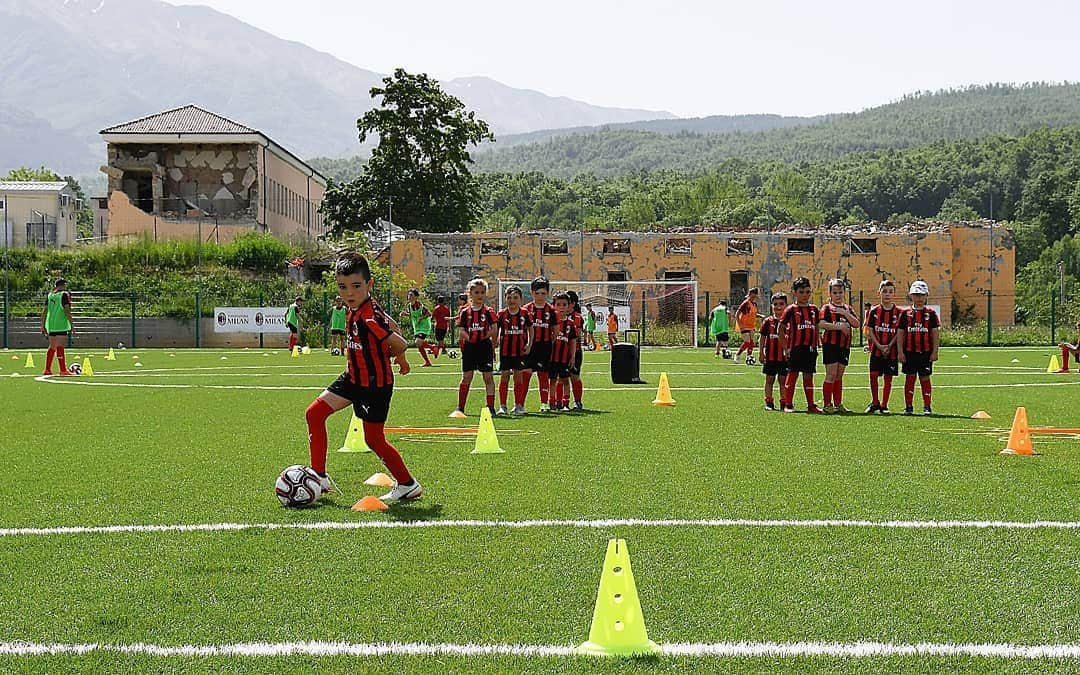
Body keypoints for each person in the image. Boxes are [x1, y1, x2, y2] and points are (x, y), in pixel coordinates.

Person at [303, 252, 420, 502]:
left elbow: (399, 342)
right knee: (314, 413)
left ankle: (408, 484)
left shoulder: (367, 316)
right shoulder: (359, 308)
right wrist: (399, 359)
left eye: (356, 286)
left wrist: (398, 355)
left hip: (373, 386)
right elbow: (393, 325)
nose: (349, 293)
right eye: (343, 287)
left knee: (374, 440)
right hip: (352, 378)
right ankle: (320, 477)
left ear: (369, 285)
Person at [450, 278, 498, 418]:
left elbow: (494, 329)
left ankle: (490, 407)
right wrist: (468, 337)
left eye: (482, 292)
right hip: (470, 347)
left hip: (484, 347)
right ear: (470, 293)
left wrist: (486, 336)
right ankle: (460, 407)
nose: (480, 295)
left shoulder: (489, 311)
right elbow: (461, 330)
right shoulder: (465, 312)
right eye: (476, 292)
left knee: (488, 377)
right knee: (466, 377)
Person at [778, 278, 822, 414]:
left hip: (810, 349)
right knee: (792, 375)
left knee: (808, 377)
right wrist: (786, 348)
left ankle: (811, 405)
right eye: (801, 292)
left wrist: (817, 344)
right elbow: (781, 328)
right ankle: (788, 404)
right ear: (795, 293)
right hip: (795, 348)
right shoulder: (790, 310)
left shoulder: (814, 309)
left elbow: (816, 327)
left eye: (808, 292)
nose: (805, 295)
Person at [897, 281, 941, 415]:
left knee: (925, 377)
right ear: (911, 296)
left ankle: (927, 407)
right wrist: (900, 352)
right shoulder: (905, 314)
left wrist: (935, 351)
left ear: (926, 295)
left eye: (922, 295)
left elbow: (935, 333)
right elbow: (900, 333)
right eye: (916, 294)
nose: (919, 298)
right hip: (909, 352)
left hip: (925, 353)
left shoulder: (931, 314)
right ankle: (908, 406)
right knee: (910, 377)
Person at [819, 279, 860, 413]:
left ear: (844, 293)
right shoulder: (827, 308)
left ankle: (838, 404)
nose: (838, 295)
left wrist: (845, 314)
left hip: (844, 346)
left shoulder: (848, 309)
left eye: (840, 292)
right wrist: (839, 327)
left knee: (839, 376)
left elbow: (856, 324)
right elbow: (821, 324)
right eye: (835, 292)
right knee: (831, 374)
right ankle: (827, 404)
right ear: (830, 294)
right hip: (830, 345)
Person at [865, 280, 902, 414]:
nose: (887, 294)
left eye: (890, 292)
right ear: (879, 293)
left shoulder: (899, 312)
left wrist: (889, 345)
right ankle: (875, 402)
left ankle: (884, 405)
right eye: (884, 291)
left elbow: (899, 332)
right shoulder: (874, 311)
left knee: (888, 377)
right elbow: (870, 330)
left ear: (894, 294)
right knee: (873, 375)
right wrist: (879, 345)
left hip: (891, 351)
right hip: (876, 350)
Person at [495, 285, 533, 415]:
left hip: (519, 351)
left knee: (518, 378)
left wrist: (529, 344)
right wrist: (493, 345)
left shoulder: (525, 313)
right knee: (504, 376)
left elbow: (530, 329)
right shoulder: (501, 314)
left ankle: (518, 405)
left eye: (515, 297)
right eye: (509, 297)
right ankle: (502, 406)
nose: (512, 300)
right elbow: (496, 330)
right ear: (505, 298)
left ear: (520, 299)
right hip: (505, 351)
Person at [522, 277, 557, 412]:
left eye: (543, 293)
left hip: (544, 347)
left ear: (547, 293)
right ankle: (520, 404)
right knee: (526, 374)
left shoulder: (551, 310)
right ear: (532, 293)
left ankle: (544, 404)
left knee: (543, 375)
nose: (540, 296)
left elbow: (555, 331)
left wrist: (548, 344)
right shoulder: (526, 310)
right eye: (537, 293)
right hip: (529, 347)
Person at [548, 292, 580, 412]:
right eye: (558, 304)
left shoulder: (570, 323)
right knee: (552, 380)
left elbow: (572, 341)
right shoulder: (551, 321)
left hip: (564, 358)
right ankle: (552, 402)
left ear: (569, 306)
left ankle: (565, 403)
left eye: (564, 305)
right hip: (552, 357)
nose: (561, 307)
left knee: (565, 380)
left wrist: (572, 357)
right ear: (554, 306)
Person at [758, 292, 788, 410]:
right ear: (771, 305)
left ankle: (784, 402)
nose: (778, 307)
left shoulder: (789, 322)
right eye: (775, 304)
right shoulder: (768, 321)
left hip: (784, 357)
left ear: (786, 305)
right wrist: (761, 352)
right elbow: (762, 337)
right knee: (769, 380)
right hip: (770, 357)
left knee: (783, 380)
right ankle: (769, 402)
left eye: (781, 304)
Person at [40, 277, 74, 376]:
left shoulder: (50, 295)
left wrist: (42, 325)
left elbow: (45, 311)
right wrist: (72, 324)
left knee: (52, 347)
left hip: (51, 324)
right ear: (63, 285)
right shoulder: (64, 295)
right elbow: (67, 310)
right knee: (60, 347)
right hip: (61, 324)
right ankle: (63, 370)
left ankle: (47, 369)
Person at [400, 288, 433, 367]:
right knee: (419, 345)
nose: (409, 296)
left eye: (411, 295)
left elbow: (429, 314)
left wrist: (420, 319)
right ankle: (427, 362)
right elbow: (412, 315)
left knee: (418, 342)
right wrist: (405, 314)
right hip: (417, 327)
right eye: (409, 295)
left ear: (416, 297)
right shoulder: (409, 306)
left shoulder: (419, 305)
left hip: (424, 326)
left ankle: (432, 347)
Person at [734, 288, 760, 364]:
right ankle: (737, 355)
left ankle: (749, 356)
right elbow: (737, 314)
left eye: (755, 294)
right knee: (747, 342)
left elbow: (754, 314)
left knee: (751, 342)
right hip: (744, 325)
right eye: (753, 294)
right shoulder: (745, 303)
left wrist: (760, 316)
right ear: (750, 294)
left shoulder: (754, 304)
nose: (754, 296)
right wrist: (739, 324)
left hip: (751, 325)